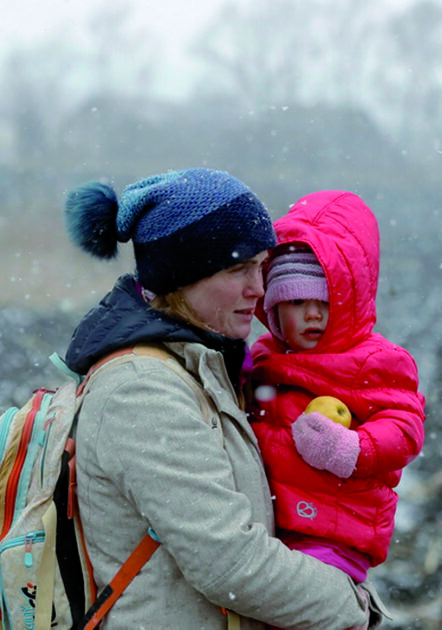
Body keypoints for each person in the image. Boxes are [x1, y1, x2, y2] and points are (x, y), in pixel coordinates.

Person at [61, 169, 376, 629]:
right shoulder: (142, 390)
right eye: (238, 269)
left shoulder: (205, 367)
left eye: (262, 266)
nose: (260, 289)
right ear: (182, 276)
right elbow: (230, 563)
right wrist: (354, 606)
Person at [250, 190, 426, 585]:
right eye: (296, 301)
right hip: (273, 524)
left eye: (327, 301)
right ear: (273, 307)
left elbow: (404, 426)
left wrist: (353, 450)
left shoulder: (373, 361)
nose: (312, 313)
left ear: (351, 301)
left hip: (335, 531)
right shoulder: (263, 359)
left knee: (302, 605)